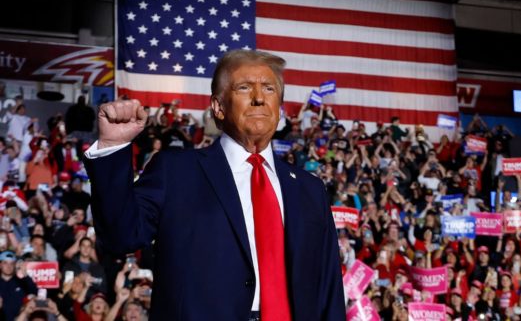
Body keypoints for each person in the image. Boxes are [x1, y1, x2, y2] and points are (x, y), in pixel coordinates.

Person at [83, 50, 345, 320]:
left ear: (279, 108)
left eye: (269, 88)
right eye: (244, 87)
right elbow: (120, 237)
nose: (258, 98)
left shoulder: (310, 188)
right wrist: (112, 148)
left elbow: (329, 288)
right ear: (218, 107)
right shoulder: (175, 170)